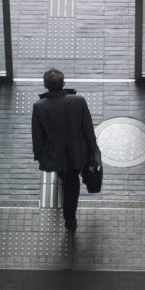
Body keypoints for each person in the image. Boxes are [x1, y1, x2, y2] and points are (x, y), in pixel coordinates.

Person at [31, 68, 98, 232]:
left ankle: (68, 212)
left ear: (45, 85)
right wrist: (93, 150)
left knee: (63, 175)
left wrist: (39, 155)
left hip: (55, 153)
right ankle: (70, 218)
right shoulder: (78, 101)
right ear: (63, 83)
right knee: (73, 182)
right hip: (77, 151)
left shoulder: (39, 106)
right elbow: (88, 128)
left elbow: (37, 134)